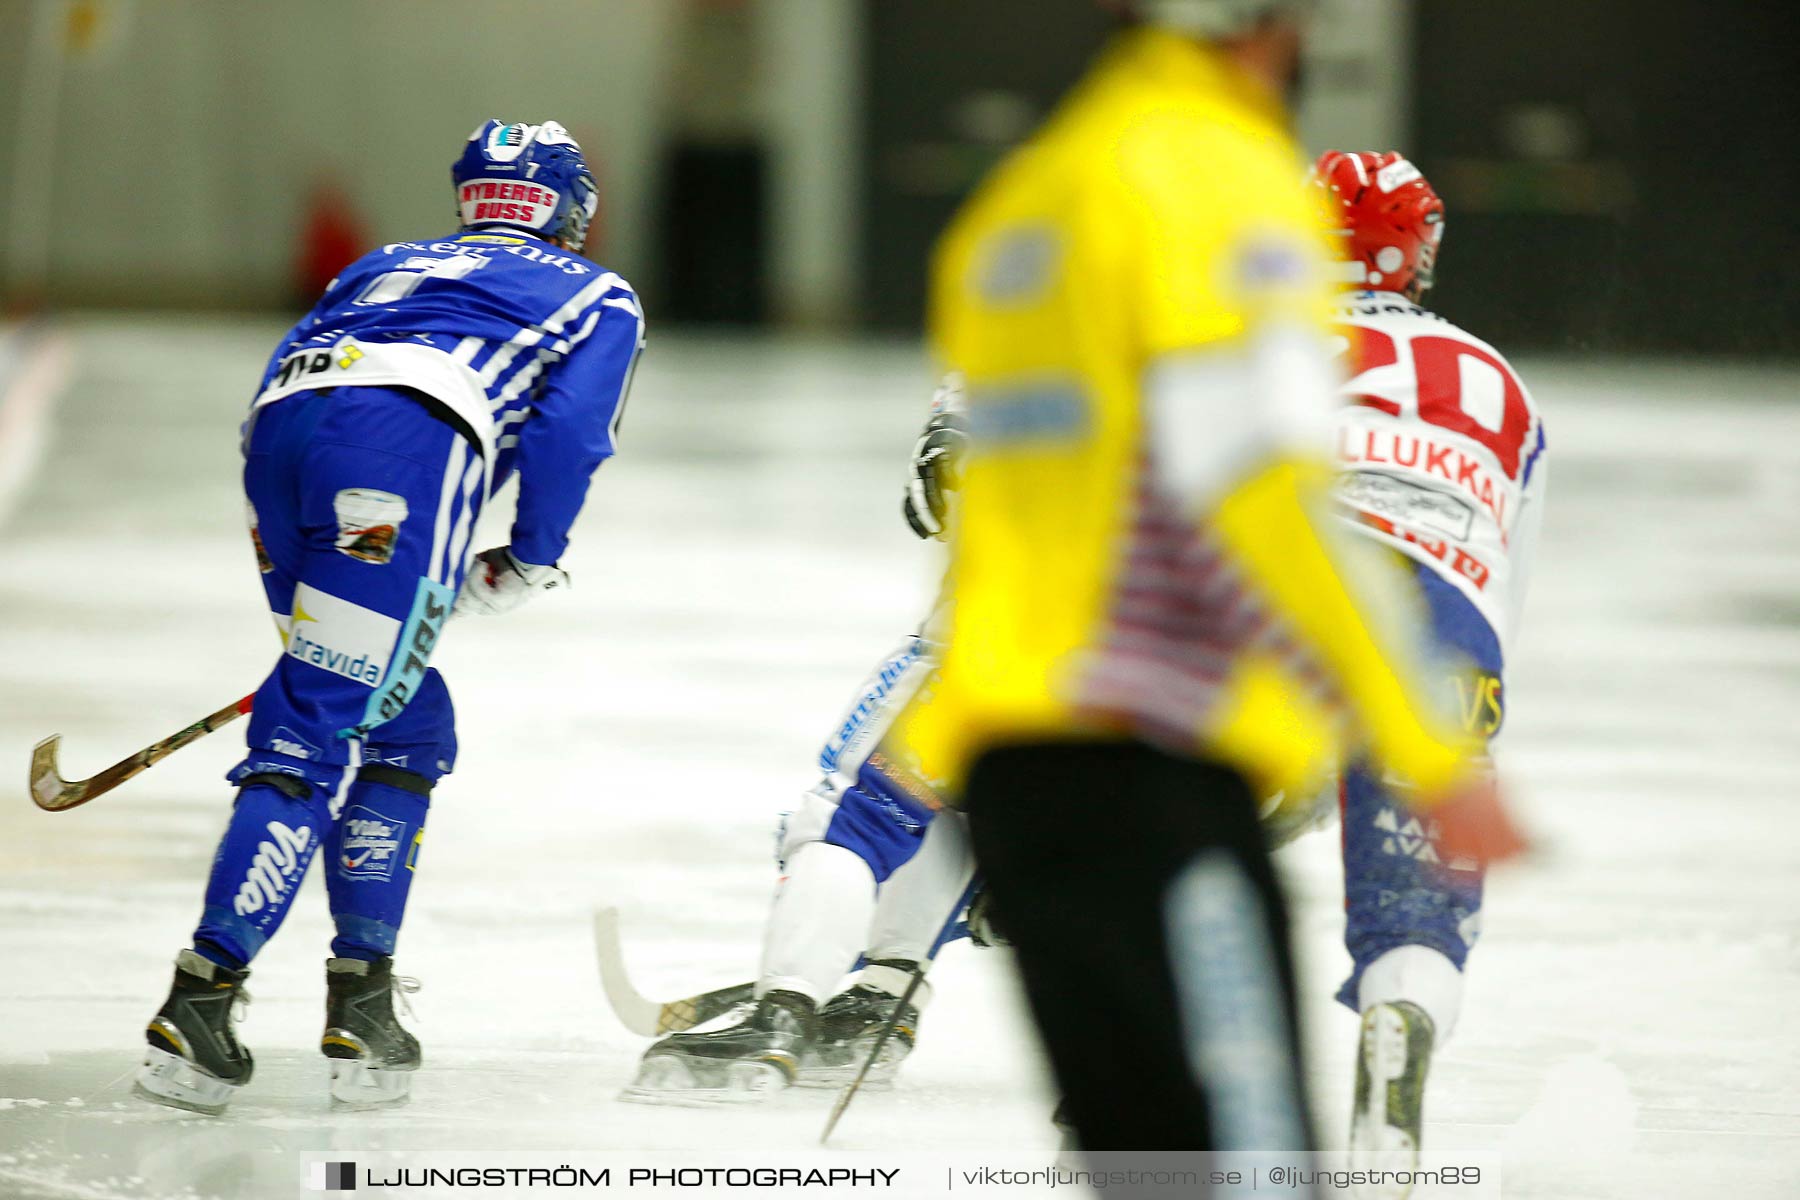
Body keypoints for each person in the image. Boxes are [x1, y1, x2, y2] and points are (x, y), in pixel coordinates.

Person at [905, 0, 1520, 1158]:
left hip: (1009, 766)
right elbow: (1254, 491)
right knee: (1244, 1170)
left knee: (1141, 1167)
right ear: (1265, 34)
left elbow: (1001, 502)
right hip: (1157, 763)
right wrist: (1424, 744)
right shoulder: (1227, 185)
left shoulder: (1025, 200)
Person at [135, 120, 645, 1115]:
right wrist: (533, 556)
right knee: (318, 723)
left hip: (280, 444)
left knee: (404, 715)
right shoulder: (597, 292)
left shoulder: (388, 260)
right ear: (571, 207)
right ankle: (203, 996)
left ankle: (360, 995)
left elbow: (292, 363)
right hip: (401, 449)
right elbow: (572, 435)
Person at [624, 380, 978, 1103]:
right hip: (1144, 667)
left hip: (992, 643)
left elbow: (944, 478)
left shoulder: (1033, 308)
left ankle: (780, 1018)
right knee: (962, 809)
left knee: (855, 818)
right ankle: (884, 997)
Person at [1306, 150, 1545, 1186]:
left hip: (1292, 608)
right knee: (1422, 916)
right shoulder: (1504, 382)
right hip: (1450, 636)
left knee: (1191, 841)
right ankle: (1399, 1016)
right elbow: (1510, 576)